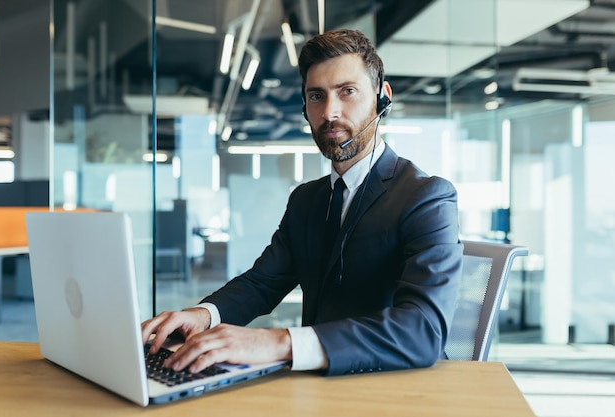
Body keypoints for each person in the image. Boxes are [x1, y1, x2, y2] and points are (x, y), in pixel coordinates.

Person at [142, 28, 463, 376]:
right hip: (318, 384)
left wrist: (280, 343)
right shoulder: (307, 200)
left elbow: (422, 330)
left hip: (395, 385)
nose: (330, 112)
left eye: (348, 92)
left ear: (382, 97)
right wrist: (202, 315)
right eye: (316, 96)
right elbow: (263, 282)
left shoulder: (426, 197)